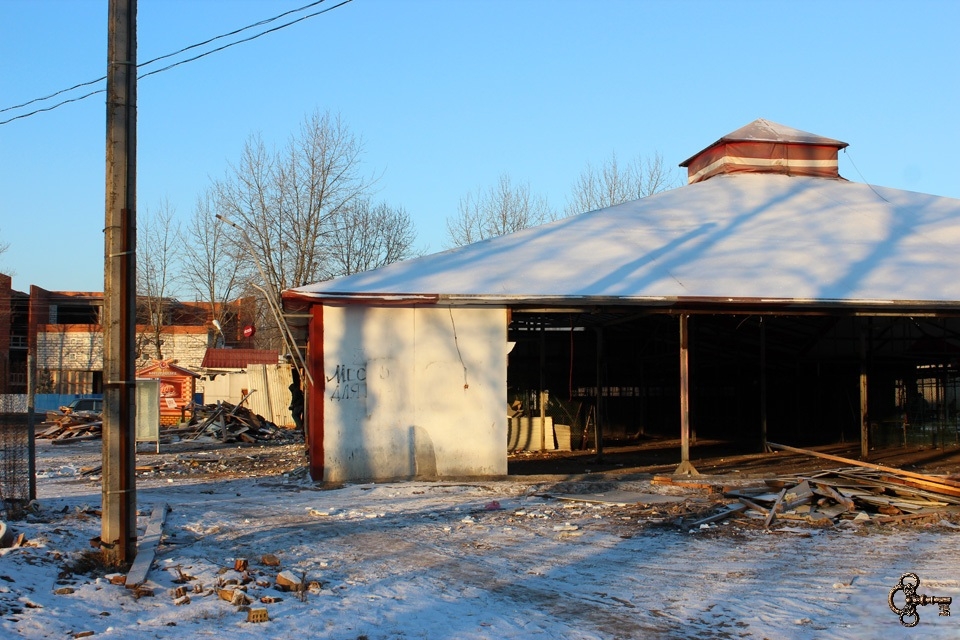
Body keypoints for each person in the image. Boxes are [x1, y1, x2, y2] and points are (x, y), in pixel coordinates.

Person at [289, 363, 304, 435]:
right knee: (297, 415)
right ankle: (299, 426)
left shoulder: (295, 392)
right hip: (300, 405)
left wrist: (292, 405)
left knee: (294, 415)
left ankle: (299, 426)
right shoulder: (298, 391)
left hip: (299, 405)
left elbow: (294, 400)